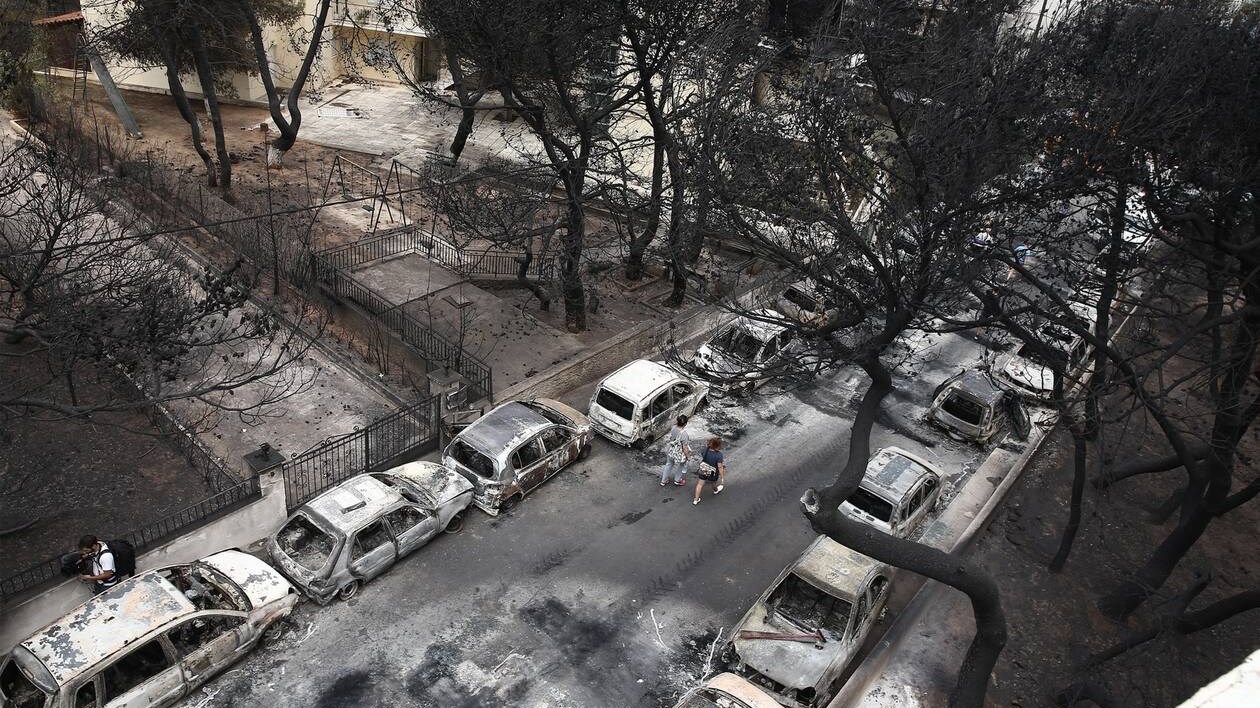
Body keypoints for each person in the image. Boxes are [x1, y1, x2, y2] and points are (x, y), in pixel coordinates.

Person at [660, 414, 692, 487]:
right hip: (679, 453)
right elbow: (685, 448)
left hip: (671, 450)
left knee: (669, 464)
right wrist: (688, 456)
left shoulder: (673, 428)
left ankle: (663, 480)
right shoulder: (684, 434)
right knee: (681, 465)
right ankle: (677, 480)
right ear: (685, 424)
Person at [693, 438, 727, 505]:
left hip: (704, 469)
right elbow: (719, 467)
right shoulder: (719, 455)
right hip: (713, 473)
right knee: (713, 483)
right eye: (720, 446)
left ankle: (696, 500)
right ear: (717, 446)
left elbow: (703, 454)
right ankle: (715, 490)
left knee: (699, 484)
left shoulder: (705, 449)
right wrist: (722, 477)